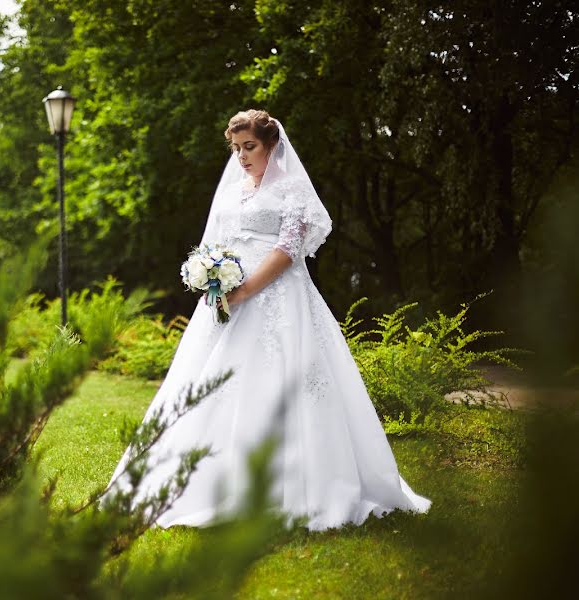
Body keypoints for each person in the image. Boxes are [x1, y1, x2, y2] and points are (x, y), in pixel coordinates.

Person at [106, 109, 431, 531]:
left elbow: (287, 250)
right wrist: (212, 277)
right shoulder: (234, 190)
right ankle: (210, 484)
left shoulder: (292, 189)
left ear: (271, 144)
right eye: (236, 148)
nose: (241, 156)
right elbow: (217, 242)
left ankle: (302, 485)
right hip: (229, 300)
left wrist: (245, 289)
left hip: (279, 297)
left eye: (249, 146)